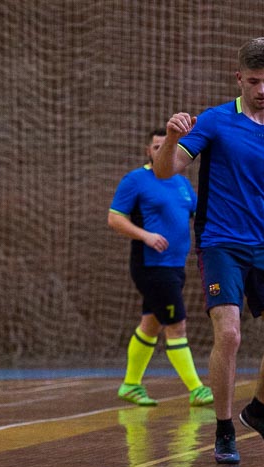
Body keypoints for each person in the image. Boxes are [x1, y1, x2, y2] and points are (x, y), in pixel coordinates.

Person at [152, 37, 264, 465]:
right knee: (229, 334)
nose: (261, 90)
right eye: (253, 82)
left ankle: (259, 411)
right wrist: (173, 138)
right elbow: (165, 171)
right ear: (239, 79)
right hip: (219, 244)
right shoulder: (214, 121)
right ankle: (225, 429)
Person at [108, 128, 213, 408]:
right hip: (152, 266)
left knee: (151, 324)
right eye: (156, 147)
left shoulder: (181, 183)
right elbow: (114, 218)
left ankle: (131, 384)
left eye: (167, 146)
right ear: (149, 151)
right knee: (176, 325)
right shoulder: (136, 180)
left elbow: (199, 215)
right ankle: (197, 388)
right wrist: (146, 236)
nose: (161, 151)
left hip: (175, 266)